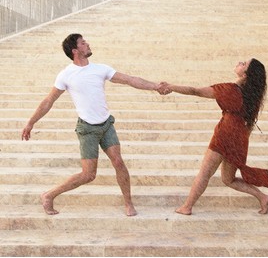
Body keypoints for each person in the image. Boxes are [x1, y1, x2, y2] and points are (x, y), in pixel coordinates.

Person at [21, 33, 168, 216]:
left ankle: (128, 203)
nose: (87, 44)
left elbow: (130, 80)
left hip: (106, 124)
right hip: (87, 129)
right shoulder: (66, 75)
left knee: (118, 162)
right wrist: (30, 123)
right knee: (88, 175)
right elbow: (48, 101)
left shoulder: (100, 69)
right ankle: (49, 195)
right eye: (83, 43)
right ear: (75, 50)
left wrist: (155, 86)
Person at [163, 58, 268, 215]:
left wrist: (171, 87)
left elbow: (195, 91)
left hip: (226, 133)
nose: (240, 62)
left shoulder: (229, 90)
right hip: (240, 136)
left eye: (244, 64)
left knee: (205, 173)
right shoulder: (252, 96)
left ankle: (187, 207)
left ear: (245, 75)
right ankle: (262, 197)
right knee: (228, 179)